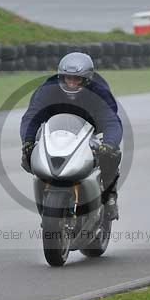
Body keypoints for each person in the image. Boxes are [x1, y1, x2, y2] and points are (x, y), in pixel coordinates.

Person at [20, 52, 122, 219]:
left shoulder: (99, 91)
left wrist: (109, 144)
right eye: (68, 78)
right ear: (61, 76)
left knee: (111, 155)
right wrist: (28, 141)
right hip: (56, 132)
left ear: (87, 79)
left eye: (77, 79)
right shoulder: (48, 89)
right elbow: (31, 116)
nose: (72, 83)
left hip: (89, 132)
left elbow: (111, 121)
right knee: (28, 156)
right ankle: (45, 195)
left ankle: (110, 196)